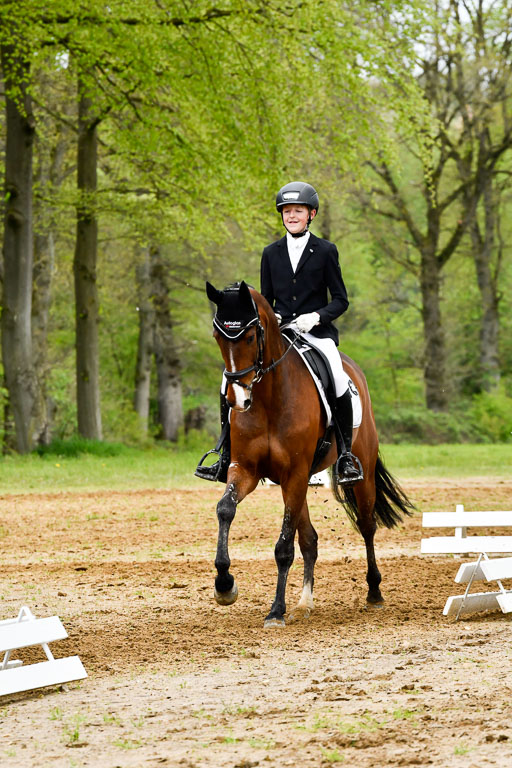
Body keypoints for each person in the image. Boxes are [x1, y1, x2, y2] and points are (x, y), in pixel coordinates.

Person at [195, 180, 362, 485]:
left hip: (316, 334)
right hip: (281, 333)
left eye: (298, 211)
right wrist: (275, 317)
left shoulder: (325, 251)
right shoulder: (270, 253)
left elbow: (341, 300)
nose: (292, 216)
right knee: (227, 379)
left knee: (337, 375)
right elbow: (266, 300)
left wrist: (316, 316)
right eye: (287, 211)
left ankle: (347, 456)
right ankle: (224, 453)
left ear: (311, 214)